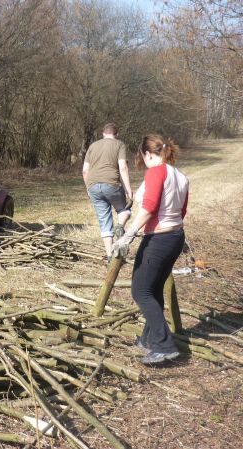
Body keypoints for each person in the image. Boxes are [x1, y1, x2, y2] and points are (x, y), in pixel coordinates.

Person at [113, 134, 189, 365]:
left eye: (142, 157)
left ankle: (165, 346)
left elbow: (149, 208)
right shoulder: (180, 175)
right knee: (153, 288)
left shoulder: (156, 171)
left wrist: (129, 234)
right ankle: (148, 339)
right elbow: (182, 210)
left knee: (141, 291)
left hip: (159, 238)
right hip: (175, 236)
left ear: (147, 154)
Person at [83, 123, 133, 262]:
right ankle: (120, 226)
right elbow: (122, 167)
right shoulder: (119, 145)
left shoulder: (93, 146)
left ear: (103, 133)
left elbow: (85, 170)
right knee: (124, 210)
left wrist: (88, 188)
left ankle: (110, 256)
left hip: (93, 186)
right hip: (112, 184)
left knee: (104, 220)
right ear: (116, 134)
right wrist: (128, 190)